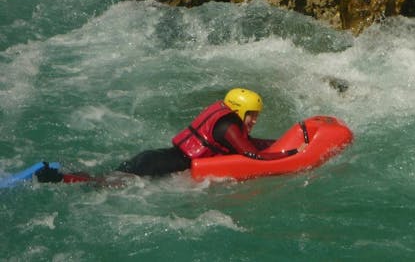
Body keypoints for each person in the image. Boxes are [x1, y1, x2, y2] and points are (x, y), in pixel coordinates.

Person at [36, 88, 283, 183]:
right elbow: (251, 154)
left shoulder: (228, 123)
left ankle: (59, 173)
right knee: (103, 183)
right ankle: (56, 178)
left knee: (105, 178)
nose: (254, 120)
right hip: (156, 165)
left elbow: (250, 144)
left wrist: (280, 143)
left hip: (155, 158)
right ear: (239, 111)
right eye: (251, 115)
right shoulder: (228, 126)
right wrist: (286, 159)